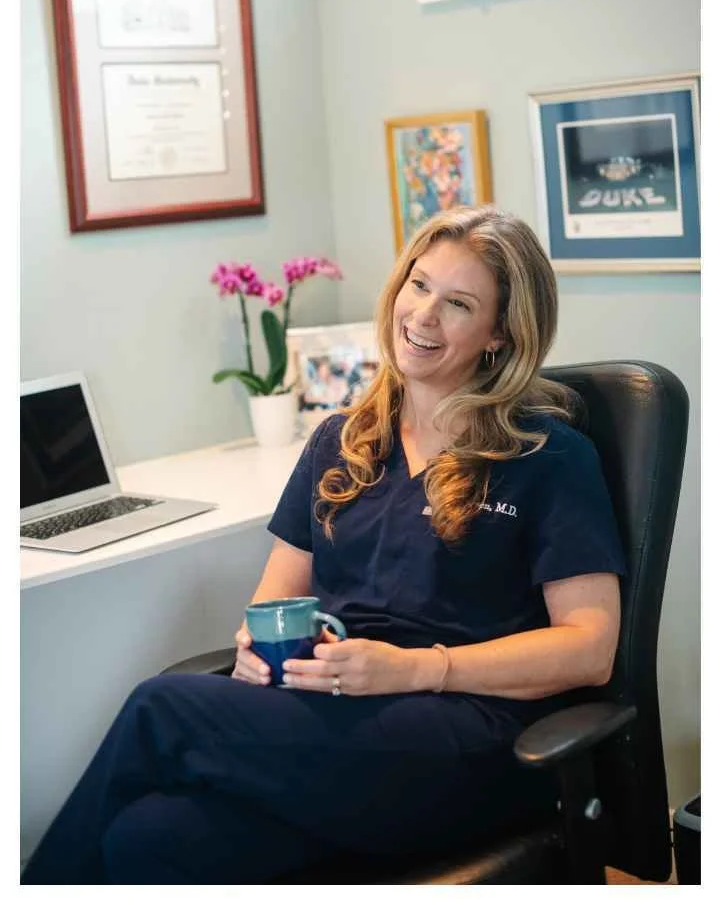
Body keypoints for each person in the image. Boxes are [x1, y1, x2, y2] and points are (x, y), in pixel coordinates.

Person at [22, 206, 626, 884]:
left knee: (160, 708)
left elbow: (590, 648)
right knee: (148, 840)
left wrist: (419, 668)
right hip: (339, 726)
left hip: (470, 738)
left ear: (499, 336)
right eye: (418, 285)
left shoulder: (548, 457)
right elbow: (276, 596)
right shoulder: (342, 440)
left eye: (457, 303)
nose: (423, 316)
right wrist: (254, 652)